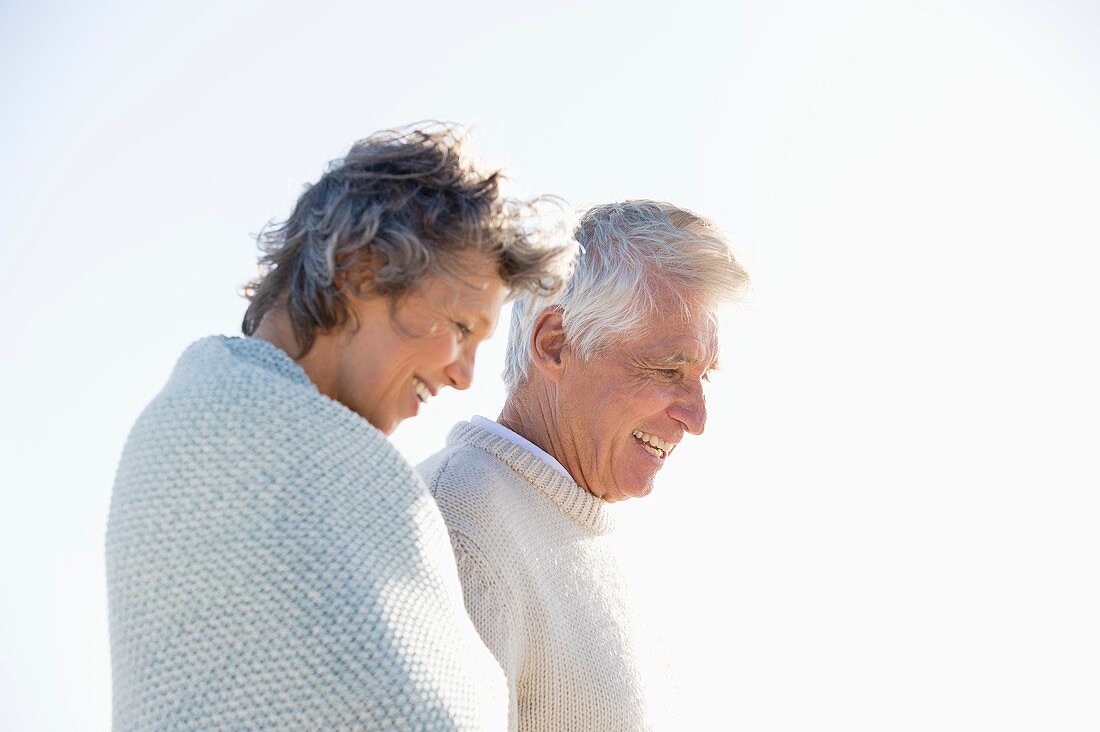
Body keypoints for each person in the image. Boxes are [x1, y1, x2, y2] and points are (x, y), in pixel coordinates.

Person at [105, 125, 575, 731]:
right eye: (460, 328)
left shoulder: (323, 458)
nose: (464, 376)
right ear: (361, 269)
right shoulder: (228, 428)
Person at [418, 200, 750, 731]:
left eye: (704, 376)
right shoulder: (459, 519)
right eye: (669, 369)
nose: (697, 417)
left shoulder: (589, 540)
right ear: (554, 345)